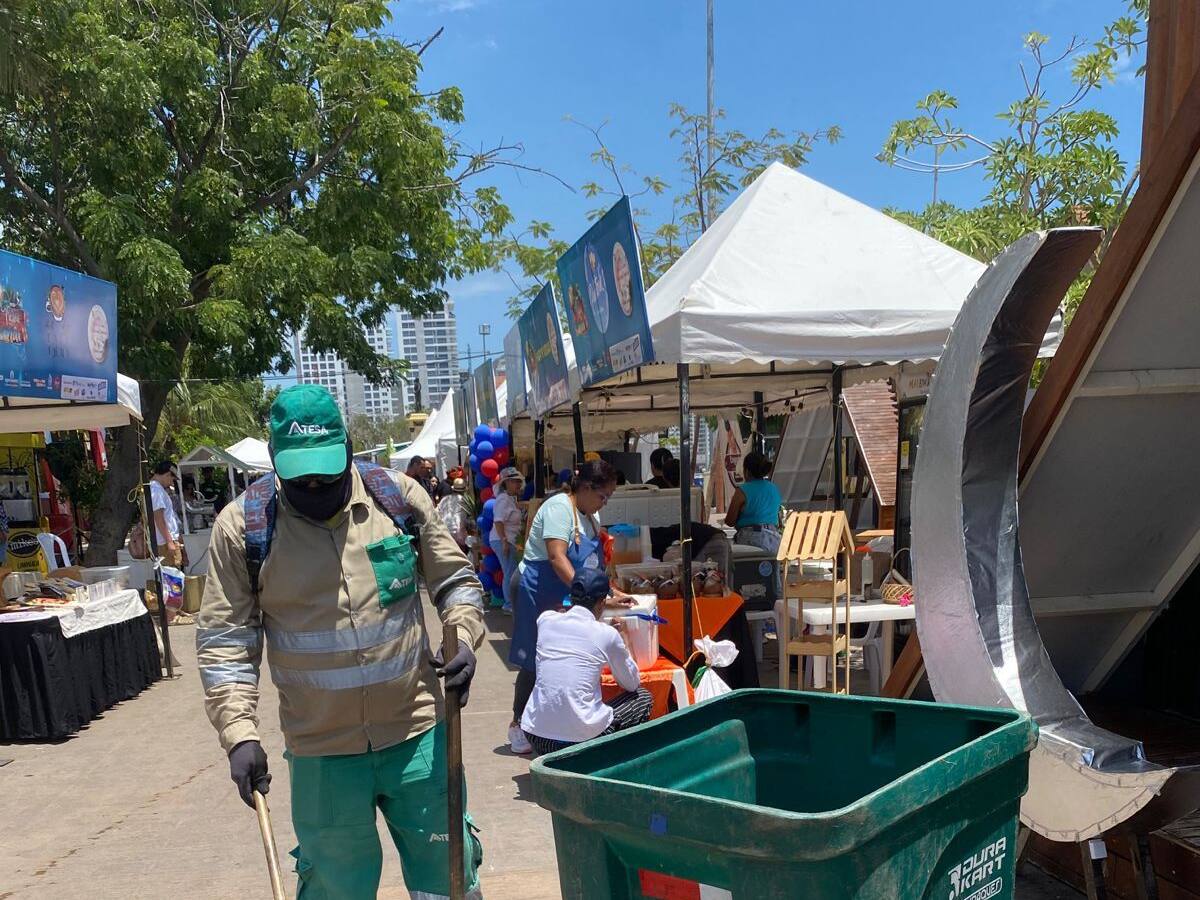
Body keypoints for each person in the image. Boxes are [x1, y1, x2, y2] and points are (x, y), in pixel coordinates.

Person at [196, 384, 485, 899]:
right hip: (322, 756)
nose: (313, 484)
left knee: (448, 879)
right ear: (275, 461)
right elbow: (225, 643)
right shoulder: (243, 529)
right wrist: (239, 733)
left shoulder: (397, 500)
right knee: (335, 891)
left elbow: (455, 582)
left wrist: (462, 634)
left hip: (418, 739)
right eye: (300, 476)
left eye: (325, 471)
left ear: (349, 448)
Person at [507, 460, 629, 755]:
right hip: (535, 586)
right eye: (603, 496)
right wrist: (587, 596)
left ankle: (554, 722)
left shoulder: (589, 518)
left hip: (565, 590)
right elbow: (557, 557)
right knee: (535, 657)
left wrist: (611, 591)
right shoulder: (560, 508)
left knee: (561, 655)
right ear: (586, 488)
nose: (604, 502)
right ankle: (518, 723)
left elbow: (590, 568)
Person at [521, 568, 653, 757]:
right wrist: (624, 639)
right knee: (642, 697)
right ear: (601, 603)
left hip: (536, 735)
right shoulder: (607, 635)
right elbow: (631, 684)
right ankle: (611, 761)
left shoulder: (546, 620)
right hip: (580, 742)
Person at [725, 451, 783, 554]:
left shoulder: (742, 491)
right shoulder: (774, 488)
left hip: (749, 539)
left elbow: (730, 521)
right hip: (773, 540)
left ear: (746, 471)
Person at [490, 466, 525, 615]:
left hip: (508, 539)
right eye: (514, 481)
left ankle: (511, 603)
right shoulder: (503, 499)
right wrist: (504, 541)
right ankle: (509, 604)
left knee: (511, 571)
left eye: (518, 481)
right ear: (506, 483)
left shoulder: (509, 499)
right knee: (510, 572)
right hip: (503, 540)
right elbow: (498, 521)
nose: (517, 484)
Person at [149, 459, 182, 566]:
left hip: (166, 540)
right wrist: (169, 542)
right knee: (171, 577)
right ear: (168, 474)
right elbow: (159, 518)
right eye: (172, 479)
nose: (172, 483)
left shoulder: (156, 489)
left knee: (173, 576)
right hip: (164, 542)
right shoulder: (156, 490)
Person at [437, 477, 470, 553]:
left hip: (444, 530)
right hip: (458, 531)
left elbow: (437, 512)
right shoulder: (464, 500)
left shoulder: (445, 499)